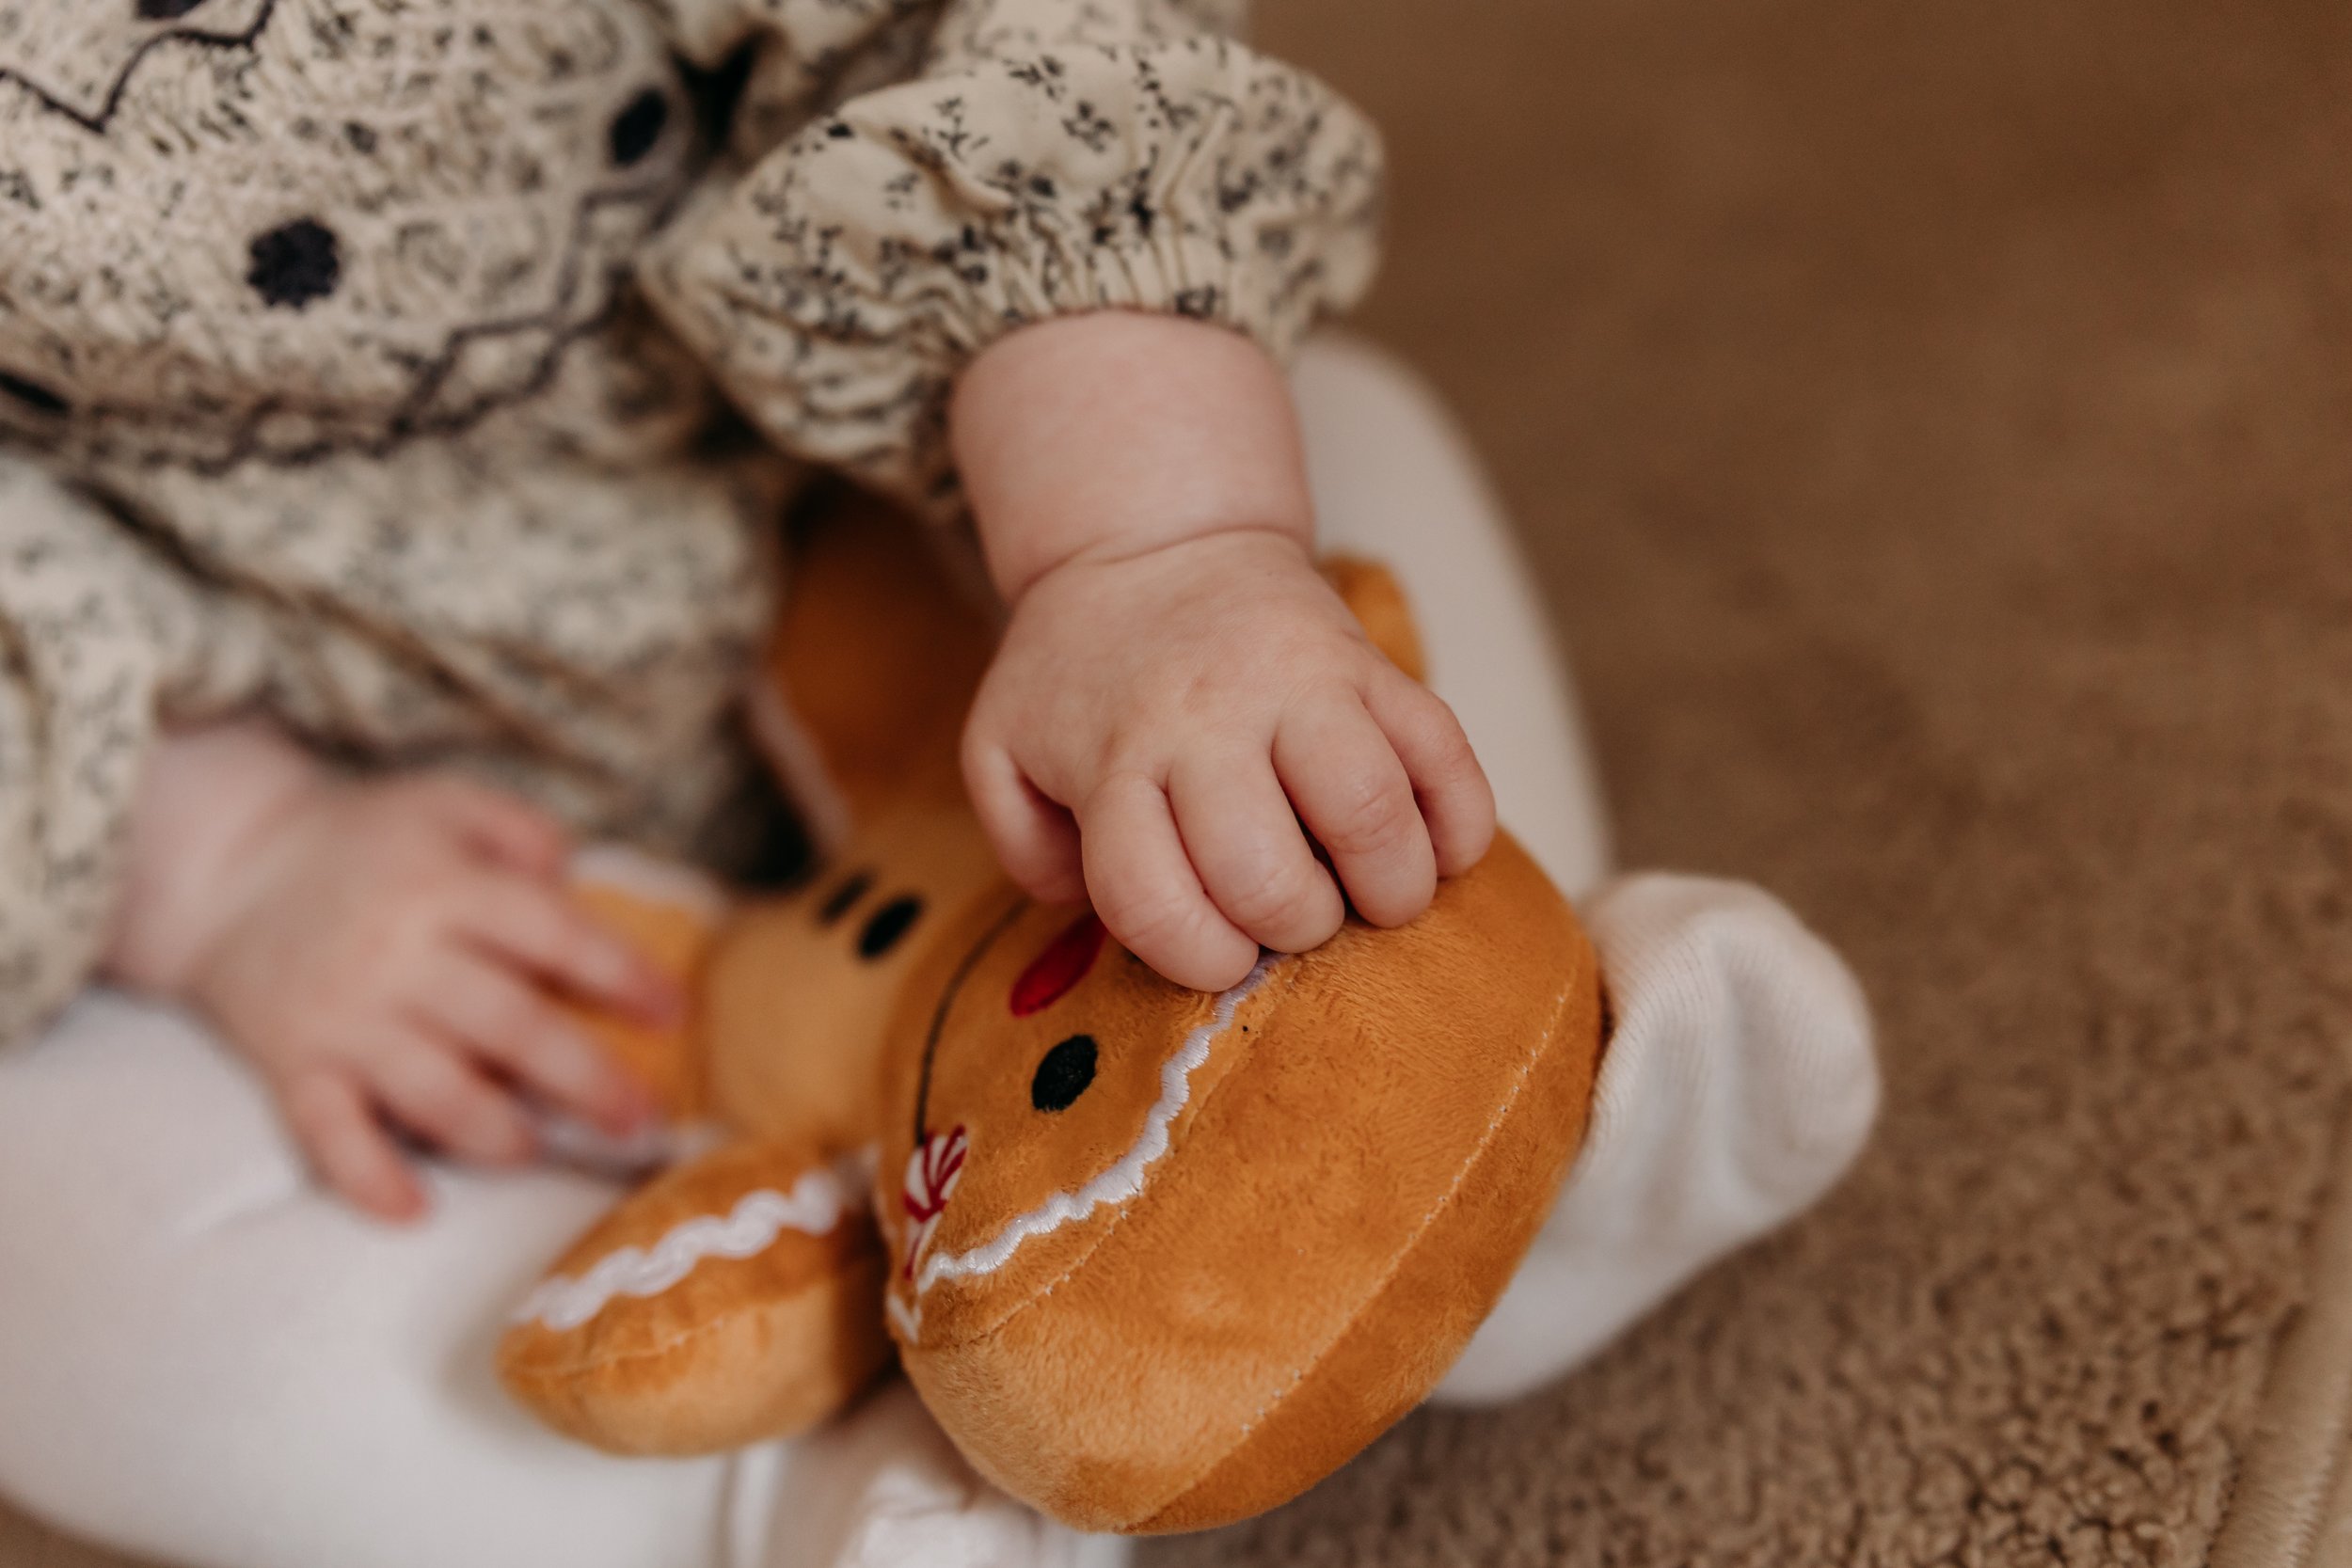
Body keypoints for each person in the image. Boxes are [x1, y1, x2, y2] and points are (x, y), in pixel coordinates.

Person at [0, 5, 1880, 1565]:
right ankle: (803, 1497)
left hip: (938, 511)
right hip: (235, 772)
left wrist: (1151, 550)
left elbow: (974, 42)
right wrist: (221, 862)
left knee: (1329, 470)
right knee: (47, 1236)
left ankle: (1505, 1121)